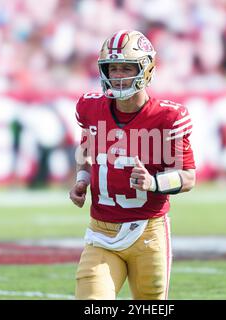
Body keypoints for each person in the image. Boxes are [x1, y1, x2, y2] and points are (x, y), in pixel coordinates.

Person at [69, 30, 196, 300]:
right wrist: (82, 177)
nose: (118, 75)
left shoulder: (168, 117)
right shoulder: (90, 107)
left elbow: (188, 177)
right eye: (112, 68)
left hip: (148, 232)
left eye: (126, 67)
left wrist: (154, 183)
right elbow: (85, 147)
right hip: (101, 233)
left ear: (146, 68)